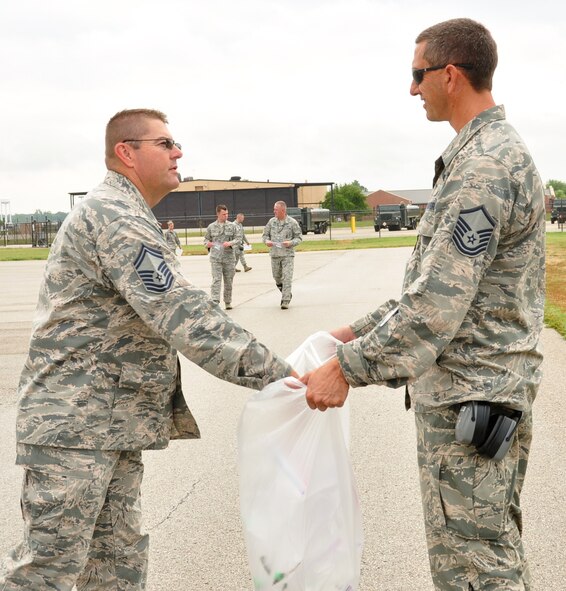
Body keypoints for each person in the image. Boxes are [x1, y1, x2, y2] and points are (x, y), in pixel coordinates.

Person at [0, 108, 296, 591]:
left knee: (116, 565)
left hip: (107, 424)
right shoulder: (113, 216)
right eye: (165, 143)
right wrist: (282, 375)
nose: (178, 152)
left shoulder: (131, 214)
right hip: (73, 427)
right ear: (127, 153)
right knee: (47, 570)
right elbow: (180, 313)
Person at [299, 18, 545, 591]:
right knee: (488, 551)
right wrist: (350, 333)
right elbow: (436, 289)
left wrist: (348, 368)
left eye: (418, 75)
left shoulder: (483, 167)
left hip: (472, 395)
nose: (413, 89)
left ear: (450, 75)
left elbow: (437, 306)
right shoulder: (483, 155)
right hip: (481, 392)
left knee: (476, 569)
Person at [262, 200, 302, 309]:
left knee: (287, 278)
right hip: (275, 255)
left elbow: (299, 238)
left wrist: (291, 242)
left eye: (276, 209)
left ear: (283, 210)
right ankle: (286, 292)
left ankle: (285, 300)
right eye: (274, 209)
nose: (274, 211)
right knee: (277, 278)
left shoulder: (292, 222)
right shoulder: (271, 222)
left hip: (287, 255)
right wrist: (267, 242)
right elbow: (265, 236)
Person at [204, 204, 240, 310]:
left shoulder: (232, 226)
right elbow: (206, 240)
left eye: (227, 214)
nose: (226, 216)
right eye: (224, 214)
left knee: (228, 281)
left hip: (229, 258)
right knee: (216, 280)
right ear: (218, 214)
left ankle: (228, 302)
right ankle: (215, 301)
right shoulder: (211, 227)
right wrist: (208, 244)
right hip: (216, 258)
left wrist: (229, 243)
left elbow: (238, 239)